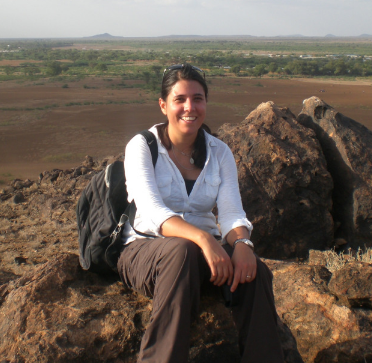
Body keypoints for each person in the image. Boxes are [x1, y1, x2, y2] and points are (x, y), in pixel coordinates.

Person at [118, 64, 285, 363]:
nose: (189, 107)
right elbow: (155, 213)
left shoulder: (219, 152)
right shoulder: (142, 147)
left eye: (197, 99)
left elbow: (232, 213)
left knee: (255, 272)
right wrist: (205, 240)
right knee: (180, 251)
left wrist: (243, 245)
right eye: (180, 99)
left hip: (199, 257)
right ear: (163, 105)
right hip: (146, 251)